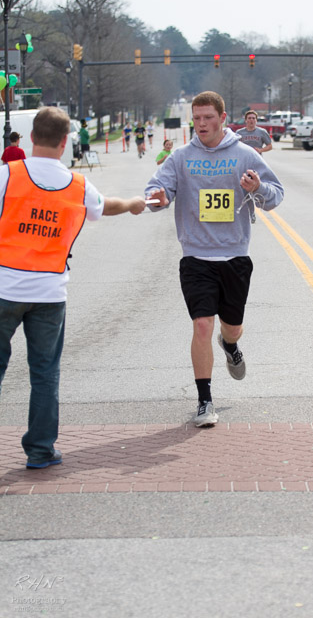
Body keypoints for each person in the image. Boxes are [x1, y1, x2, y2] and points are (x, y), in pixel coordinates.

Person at [0, 107, 146, 469]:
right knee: (45, 373)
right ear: (66, 142)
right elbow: (104, 207)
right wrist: (131, 204)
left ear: (31, 137)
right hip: (50, 292)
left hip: (5, 286)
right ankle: (40, 449)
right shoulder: (78, 185)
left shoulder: (8, 176)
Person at [145, 91, 284, 427]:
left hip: (235, 254)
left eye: (209, 117)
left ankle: (231, 345)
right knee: (201, 324)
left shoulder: (244, 154)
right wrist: (158, 198)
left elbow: (276, 195)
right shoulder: (180, 157)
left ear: (223, 118)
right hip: (195, 255)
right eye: (197, 118)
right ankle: (205, 401)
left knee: (230, 327)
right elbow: (155, 190)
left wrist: (258, 188)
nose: (202, 124)